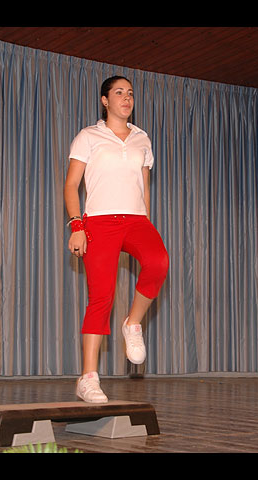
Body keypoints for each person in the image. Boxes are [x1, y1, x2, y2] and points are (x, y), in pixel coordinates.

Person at [64, 76, 169, 403]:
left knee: (158, 262)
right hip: (99, 221)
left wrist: (147, 221)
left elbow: (144, 186)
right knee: (101, 297)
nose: (126, 98)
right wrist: (77, 225)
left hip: (136, 219)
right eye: (119, 93)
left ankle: (132, 323)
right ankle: (88, 378)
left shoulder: (142, 139)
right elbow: (71, 185)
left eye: (130, 93)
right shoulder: (88, 136)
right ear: (105, 100)